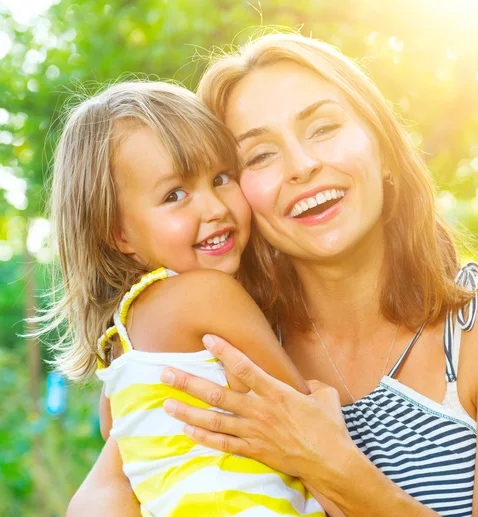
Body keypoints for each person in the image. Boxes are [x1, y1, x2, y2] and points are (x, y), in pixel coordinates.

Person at [69, 33, 478, 517]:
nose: (302, 166)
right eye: (259, 156)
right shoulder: (219, 351)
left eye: (323, 128)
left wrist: (336, 470)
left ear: (384, 149)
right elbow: (108, 488)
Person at [45, 80, 341, 516]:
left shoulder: (122, 342)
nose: (214, 207)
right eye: (174, 195)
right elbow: (309, 435)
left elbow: (115, 437)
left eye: (221, 178)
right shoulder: (208, 295)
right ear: (119, 233)